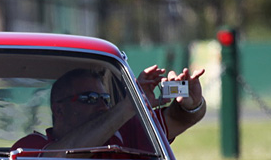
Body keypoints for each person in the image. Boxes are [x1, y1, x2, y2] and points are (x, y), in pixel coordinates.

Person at [11, 65, 205, 153]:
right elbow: (60, 156)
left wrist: (191, 104)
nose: (103, 105)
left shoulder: (126, 132)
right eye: (91, 98)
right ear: (59, 110)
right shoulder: (30, 146)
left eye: (105, 98)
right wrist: (129, 105)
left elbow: (180, 119)